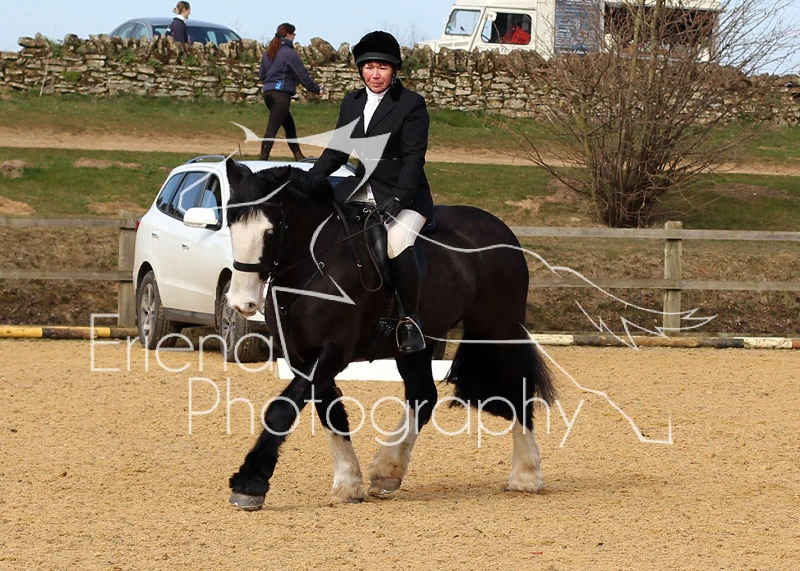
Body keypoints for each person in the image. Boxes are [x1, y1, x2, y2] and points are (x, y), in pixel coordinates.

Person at [310, 31, 433, 354]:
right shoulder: (352, 102)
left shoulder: (411, 104)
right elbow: (337, 152)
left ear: (394, 70)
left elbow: (413, 159)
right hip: (363, 188)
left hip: (406, 194)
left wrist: (399, 199)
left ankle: (410, 320)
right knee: (328, 230)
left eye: (382, 67)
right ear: (360, 69)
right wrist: (309, 181)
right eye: (368, 67)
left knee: (396, 241)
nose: (375, 75)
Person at [259, 23, 322, 161]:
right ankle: (262, 160)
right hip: (281, 97)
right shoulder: (289, 54)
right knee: (272, 130)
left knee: (289, 126)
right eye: (293, 34)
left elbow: (262, 75)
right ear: (288, 35)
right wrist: (316, 89)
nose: (294, 37)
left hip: (268, 95)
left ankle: (298, 156)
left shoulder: (269, 52)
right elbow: (303, 75)